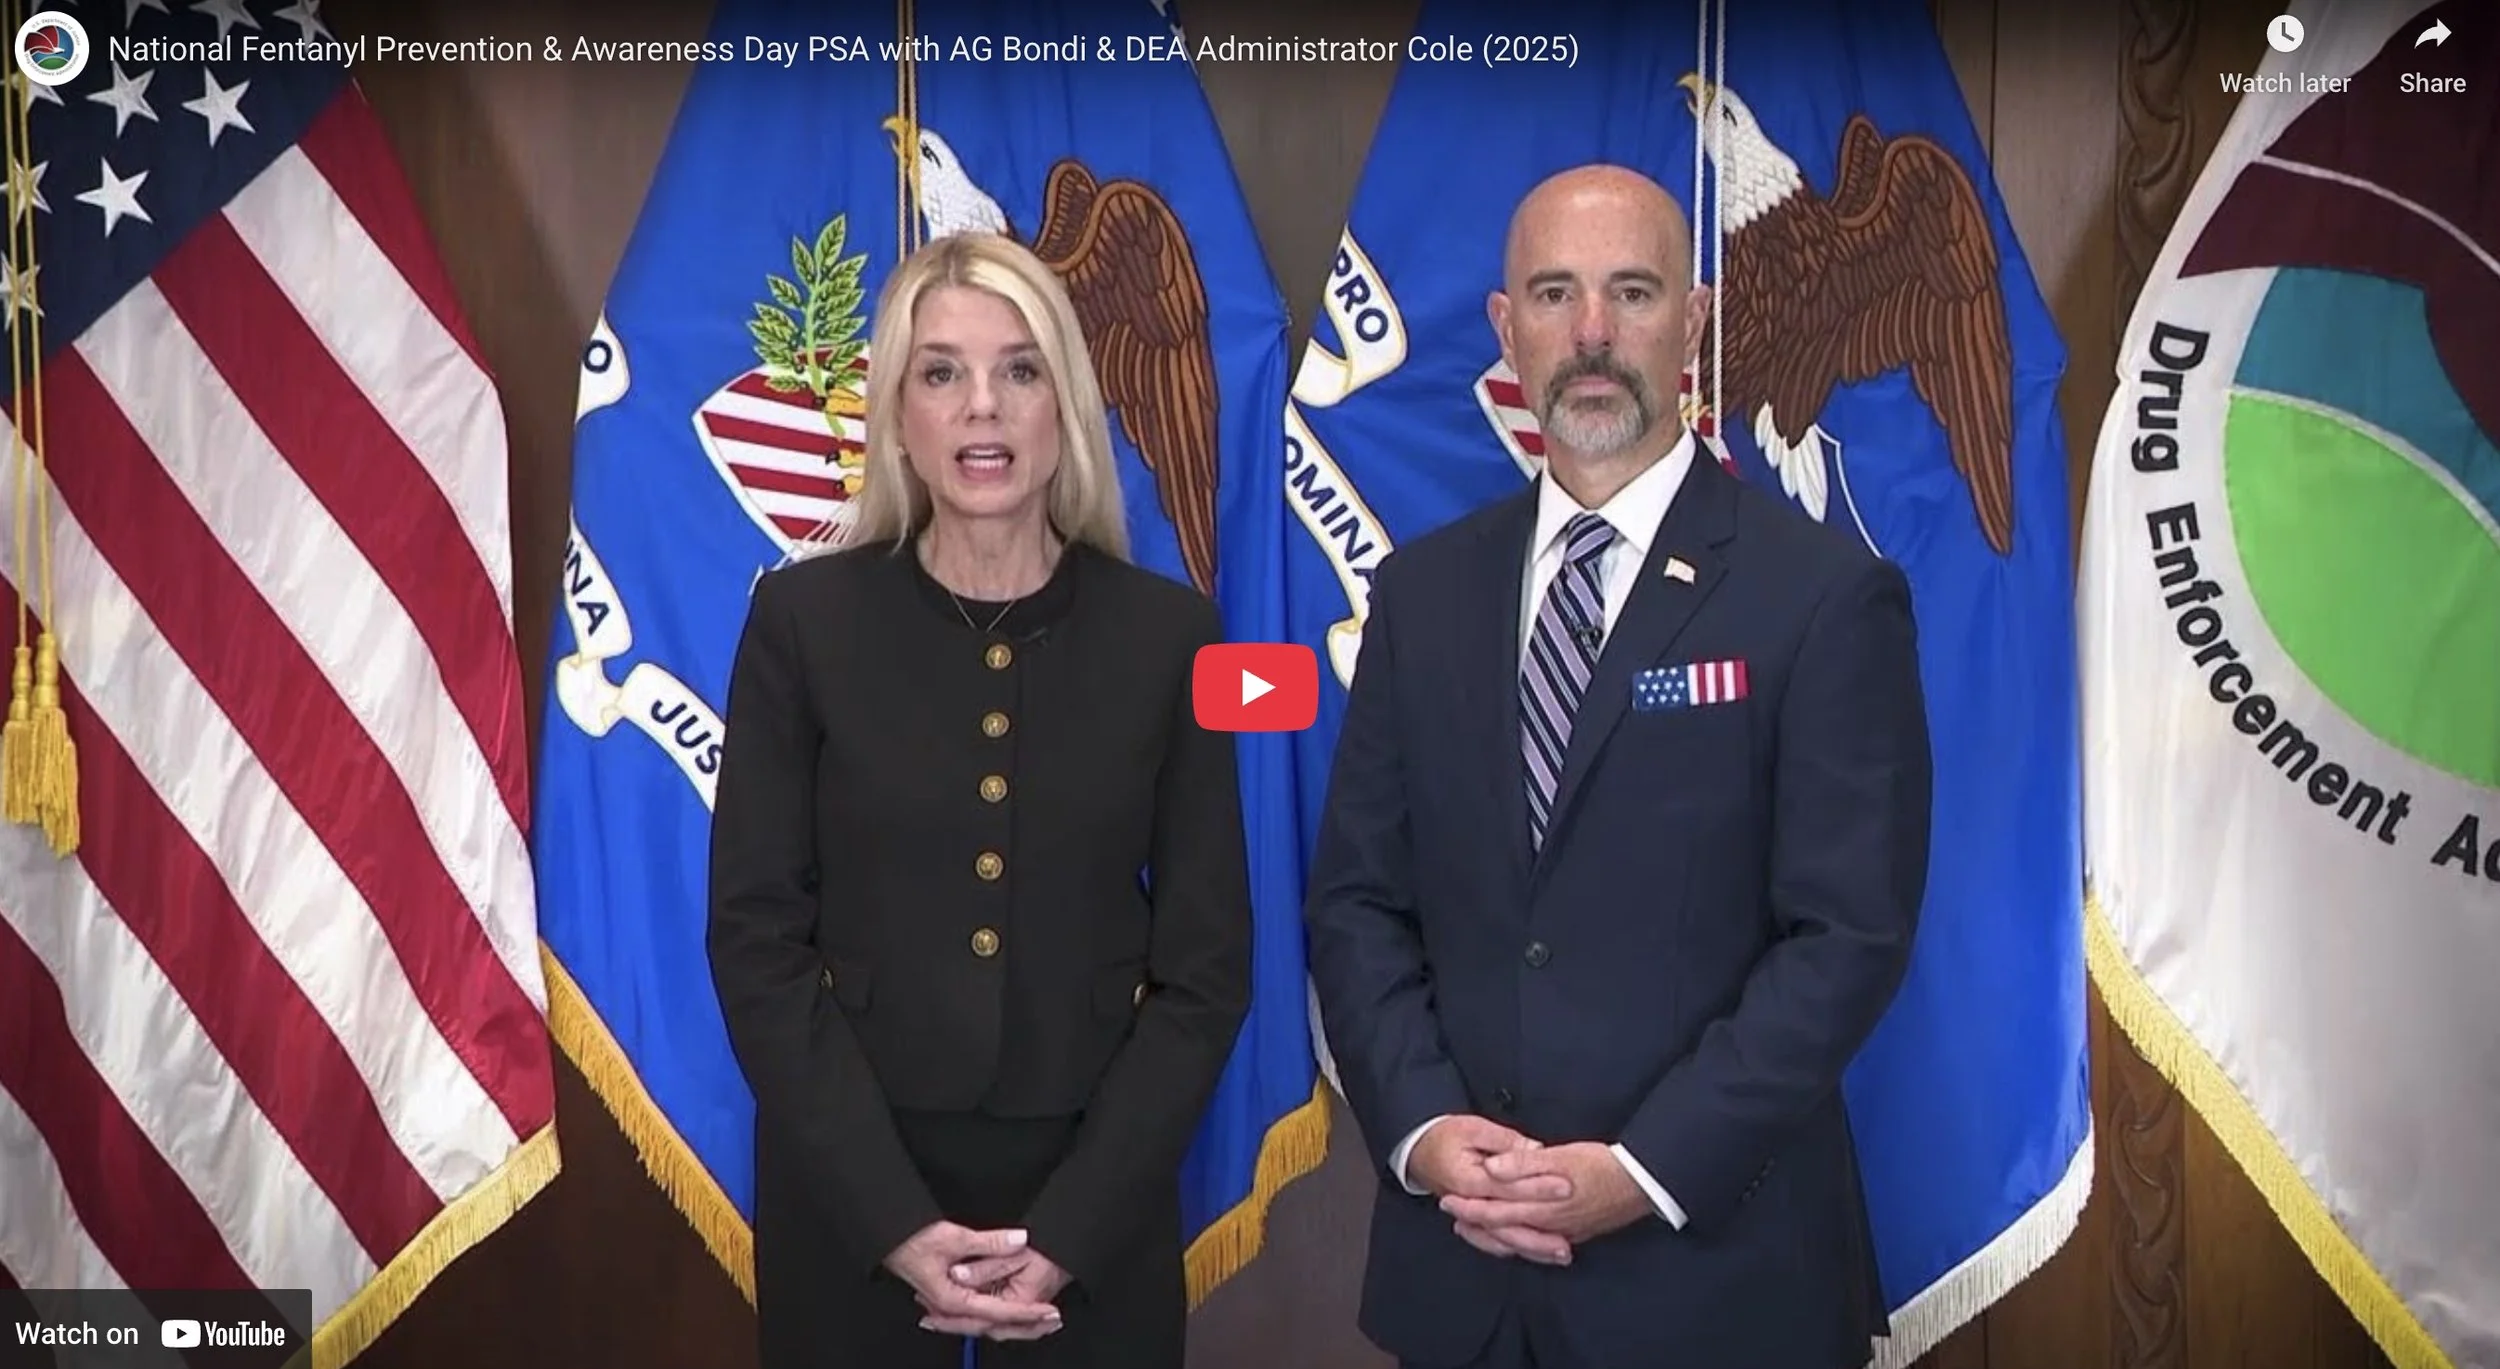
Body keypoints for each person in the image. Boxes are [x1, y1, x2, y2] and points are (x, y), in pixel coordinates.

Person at [1304, 164, 1934, 1368]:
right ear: (1506, 329)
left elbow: (1845, 937)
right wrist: (1429, 1129)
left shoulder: (1822, 599)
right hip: (1466, 1278)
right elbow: (1359, 903)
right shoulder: (1423, 593)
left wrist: (1641, 1169)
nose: (1590, 334)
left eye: (1630, 292)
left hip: (1720, 1287)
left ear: (1693, 318)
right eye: (1554, 293)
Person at [706, 230, 1254, 1369]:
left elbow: (1207, 973)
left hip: (1091, 1195)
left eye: (1019, 368)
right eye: (940, 372)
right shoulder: (802, 627)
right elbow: (754, 940)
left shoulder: (1170, 642)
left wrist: (1073, 1231)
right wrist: (893, 1221)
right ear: (897, 415)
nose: (981, 409)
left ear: (1066, 405)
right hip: (850, 1189)